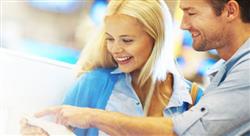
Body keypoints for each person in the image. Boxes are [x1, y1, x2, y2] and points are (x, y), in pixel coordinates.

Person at [20, 0, 203, 136]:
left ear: (157, 40)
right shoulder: (94, 84)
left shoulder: (194, 99)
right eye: (110, 39)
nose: (115, 49)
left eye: (127, 40)